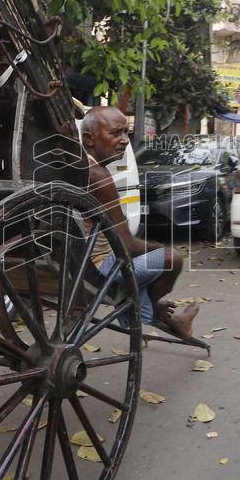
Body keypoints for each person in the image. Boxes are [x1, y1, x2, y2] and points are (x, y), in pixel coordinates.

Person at [81, 106, 199, 339]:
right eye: (115, 133)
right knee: (171, 259)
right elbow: (127, 245)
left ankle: (162, 312)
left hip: (76, 261)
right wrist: (160, 248)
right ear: (89, 139)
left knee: (148, 258)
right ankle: (154, 309)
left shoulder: (74, 165)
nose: (125, 140)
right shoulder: (97, 176)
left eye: (126, 132)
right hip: (99, 267)